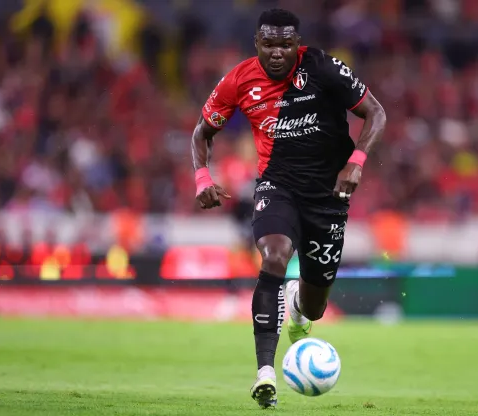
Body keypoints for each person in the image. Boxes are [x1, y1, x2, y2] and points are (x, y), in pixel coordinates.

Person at [191, 8, 386, 409]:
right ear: (257, 44)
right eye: (269, 44)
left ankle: (299, 304)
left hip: (328, 199)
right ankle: (265, 373)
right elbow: (202, 131)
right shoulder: (239, 80)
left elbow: (376, 113)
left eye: (285, 44)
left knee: (315, 305)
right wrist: (202, 178)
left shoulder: (324, 68)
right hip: (276, 187)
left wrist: (357, 162)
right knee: (274, 256)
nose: (277, 52)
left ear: (297, 45)